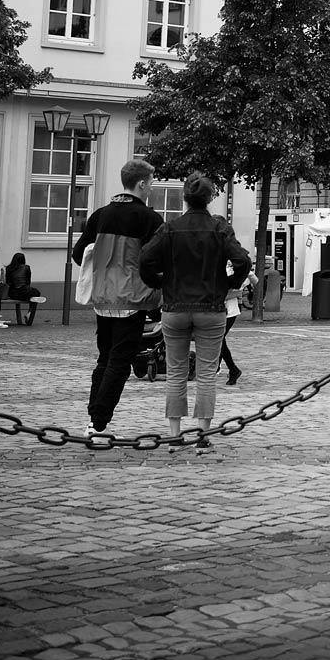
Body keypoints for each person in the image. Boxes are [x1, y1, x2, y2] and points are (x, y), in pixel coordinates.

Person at [141, 174, 251, 450]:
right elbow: (242, 260)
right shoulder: (220, 228)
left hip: (175, 307)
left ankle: (175, 436)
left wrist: (160, 282)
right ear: (210, 198)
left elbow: (145, 259)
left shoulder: (170, 228)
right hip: (211, 308)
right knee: (206, 374)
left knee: (176, 373)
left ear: (185, 198)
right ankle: (202, 435)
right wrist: (229, 284)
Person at [72, 159, 165, 435]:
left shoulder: (100, 215)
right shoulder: (149, 219)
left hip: (102, 299)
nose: (151, 188)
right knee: (120, 363)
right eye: (151, 183)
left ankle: (93, 419)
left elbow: (78, 254)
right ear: (141, 184)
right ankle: (99, 424)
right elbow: (157, 261)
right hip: (132, 300)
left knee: (104, 359)